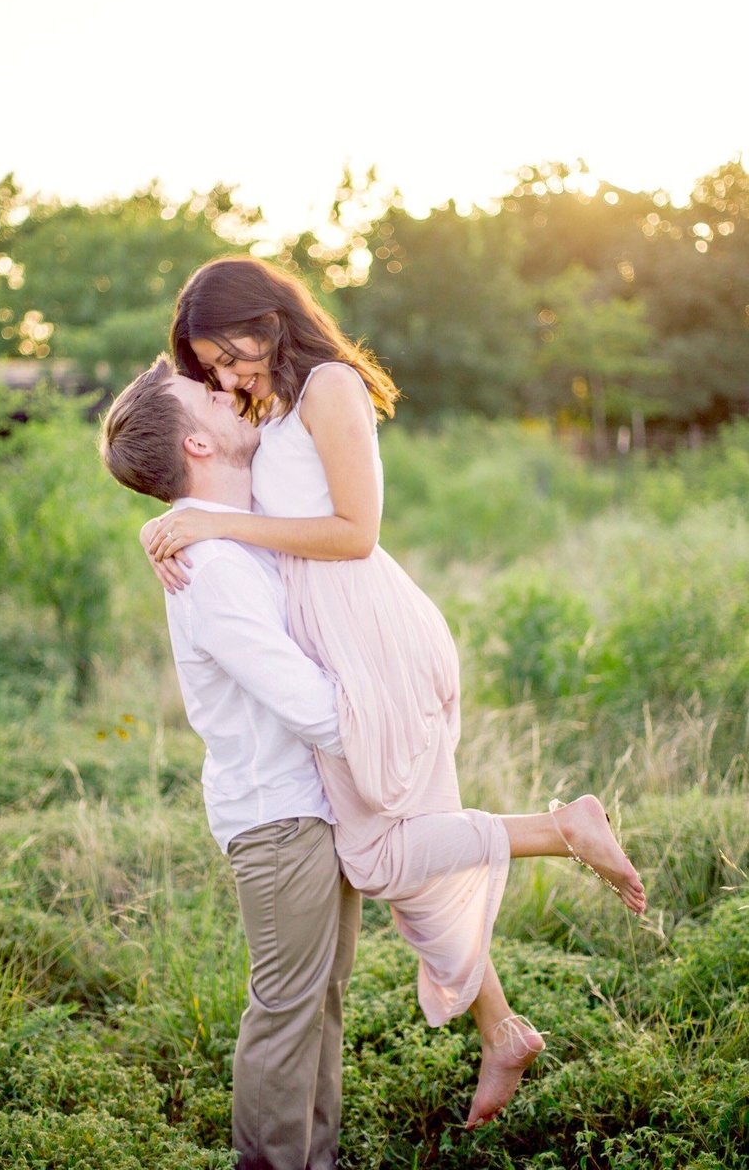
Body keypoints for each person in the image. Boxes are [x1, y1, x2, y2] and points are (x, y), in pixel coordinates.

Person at [141, 256, 647, 1129]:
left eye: (228, 357)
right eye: (212, 371)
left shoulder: (329, 385)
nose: (227, 380)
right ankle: (501, 1029)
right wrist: (173, 518)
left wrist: (209, 519)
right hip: (335, 639)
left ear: (266, 319)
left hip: (365, 630)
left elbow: (355, 532)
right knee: (401, 841)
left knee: (379, 853)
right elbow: (191, 469)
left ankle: (563, 829)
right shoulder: (271, 408)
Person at [100, 357, 362, 1170]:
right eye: (206, 394)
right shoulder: (213, 568)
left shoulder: (236, 533)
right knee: (287, 1016)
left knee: (320, 1007)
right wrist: (393, 722)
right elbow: (315, 709)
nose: (227, 392)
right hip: (280, 818)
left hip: (313, 805)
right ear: (196, 444)